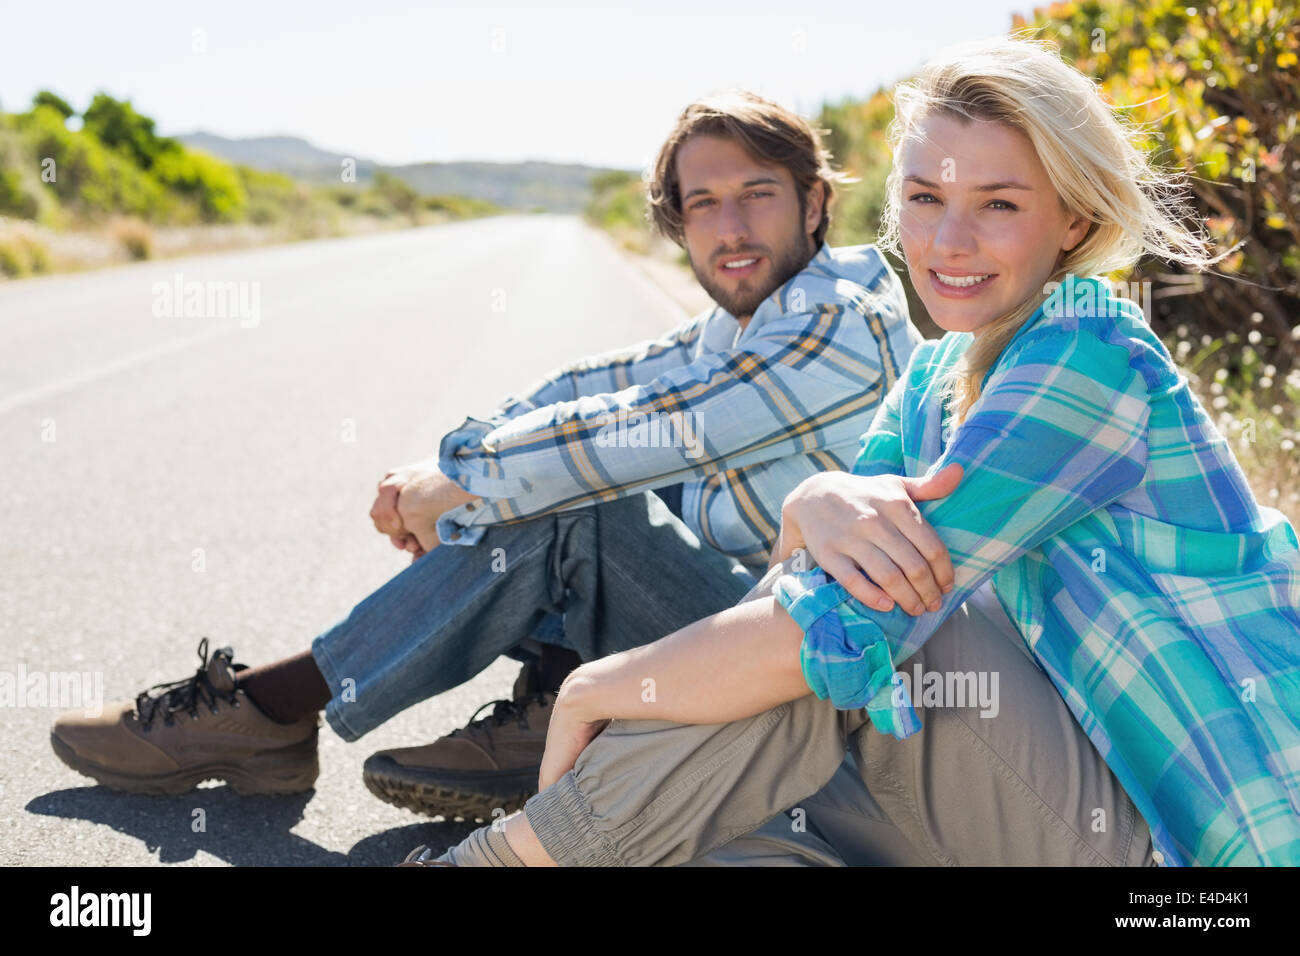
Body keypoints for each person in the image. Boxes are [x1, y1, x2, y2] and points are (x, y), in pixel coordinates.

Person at [408, 36, 1300, 868]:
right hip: (1008, 794)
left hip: (1183, 856)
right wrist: (811, 504)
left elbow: (852, 617)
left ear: (1072, 221)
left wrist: (599, 687)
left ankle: (506, 860)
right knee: (715, 831)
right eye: (924, 200)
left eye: (998, 204)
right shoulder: (938, 375)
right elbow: (794, 575)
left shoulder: (1090, 349)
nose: (948, 243)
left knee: (862, 631)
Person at [49, 92, 924, 823]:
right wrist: (445, 470)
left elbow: (654, 425)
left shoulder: (841, 322)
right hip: (738, 645)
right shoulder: (734, 328)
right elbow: (593, 386)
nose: (730, 228)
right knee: (544, 482)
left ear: (814, 203)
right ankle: (550, 713)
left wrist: (466, 481)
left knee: (582, 499)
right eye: (703, 203)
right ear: (677, 224)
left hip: (820, 684)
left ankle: (268, 710)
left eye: (757, 193)